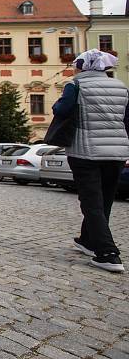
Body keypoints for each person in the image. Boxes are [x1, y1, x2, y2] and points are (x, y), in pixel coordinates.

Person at [53, 49, 129, 272]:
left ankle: (108, 253)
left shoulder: (76, 85)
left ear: (83, 66)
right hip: (116, 152)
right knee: (104, 199)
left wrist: (58, 104)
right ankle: (87, 240)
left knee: (91, 201)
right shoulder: (121, 87)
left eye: (76, 64)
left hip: (86, 152)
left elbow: (61, 109)